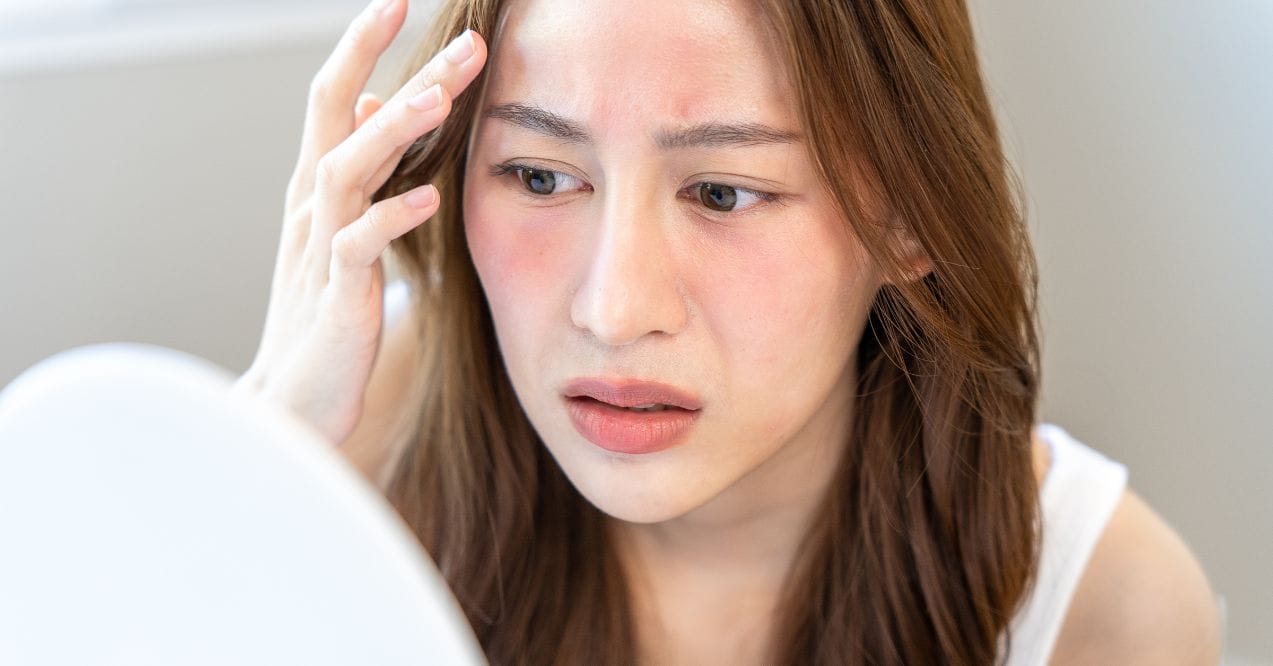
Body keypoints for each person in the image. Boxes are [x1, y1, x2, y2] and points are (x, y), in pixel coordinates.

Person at [233, 0, 1224, 662]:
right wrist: (253, 452)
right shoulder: (352, 436)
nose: (614, 311)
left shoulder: (1104, 607)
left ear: (909, 218)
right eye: (538, 175)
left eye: (722, 191)